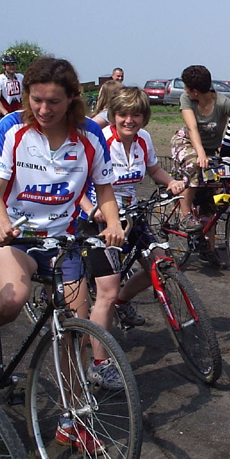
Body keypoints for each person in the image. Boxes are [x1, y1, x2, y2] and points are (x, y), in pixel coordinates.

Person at [0, 58, 124, 409]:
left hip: (62, 240)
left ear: (72, 98)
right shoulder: (11, 127)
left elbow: (105, 189)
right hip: (16, 237)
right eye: (36, 100)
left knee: (74, 330)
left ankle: (75, 416)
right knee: (13, 297)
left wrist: (113, 223)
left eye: (53, 101)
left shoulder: (90, 134)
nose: (43, 109)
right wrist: (1, 223)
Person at [79, 86, 184, 340]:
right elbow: (75, 181)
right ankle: (97, 347)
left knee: (159, 263)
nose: (129, 120)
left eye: (136, 115)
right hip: (99, 218)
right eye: (123, 114)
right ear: (113, 115)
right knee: (107, 288)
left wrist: (171, 182)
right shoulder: (100, 139)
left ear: (144, 117)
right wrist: (90, 209)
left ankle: (122, 302)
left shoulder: (143, 139)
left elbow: (154, 169)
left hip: (131, 213)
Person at [170, 64, 230, 267]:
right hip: (187, 144)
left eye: (186, 87)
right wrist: (201, 154)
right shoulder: (187, 99)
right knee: (194, 167)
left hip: (210, 151)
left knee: (212, 196)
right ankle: (185, 215)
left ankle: (209, 248)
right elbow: (192, 128)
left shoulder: (222, 102)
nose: (185, 90)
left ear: (195, 90)